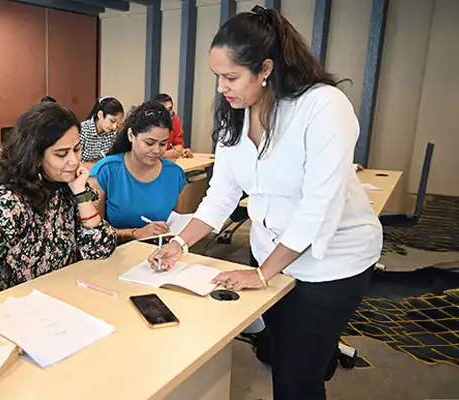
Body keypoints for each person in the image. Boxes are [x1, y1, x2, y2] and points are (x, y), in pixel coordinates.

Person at [149, 6, 381, 400]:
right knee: (282, 352)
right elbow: (221, 194)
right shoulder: (236, 115)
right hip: (270, 255)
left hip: (332, 262)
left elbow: (319, 206)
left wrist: (262, 274)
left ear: (266, 69)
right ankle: (320, 356)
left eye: (231, 77)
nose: (221, 88)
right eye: (217, 76)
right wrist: (180, 243)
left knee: (295, 377)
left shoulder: (323, 107)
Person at [0, 102, 117, 298]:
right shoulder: (9, 204)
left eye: (77, 150)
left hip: (64, 297)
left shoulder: (69, 188)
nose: (74, 161)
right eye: (61, 154)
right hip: (16, 306)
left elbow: (100, 249)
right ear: (35, 157)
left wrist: (81, 194)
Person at [89, 101, 187, 242]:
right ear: (131, 135)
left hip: (159, 252)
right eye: (149, 143)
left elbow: (176, 224)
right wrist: (134, 233)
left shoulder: (175, 174)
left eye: (163, 143)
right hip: (116, 252)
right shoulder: (105, 171)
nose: (157, 150)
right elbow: (92, 233)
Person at [79, 96, 124, 168]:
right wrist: (102, 163)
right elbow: (78, 164)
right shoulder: (83, 131)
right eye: (112, 121)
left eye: (118, 123)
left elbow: (112, 160)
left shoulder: (112, 133)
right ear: (100, 115)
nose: (114, 127)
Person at [152, 93, 192, 160]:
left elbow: (179, 146)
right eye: (165, 110)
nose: (169, 113)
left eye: (170, 109)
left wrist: (182, 151)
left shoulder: (174, 119)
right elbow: (149, 153)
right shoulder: (149, 123)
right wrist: (171, 153)